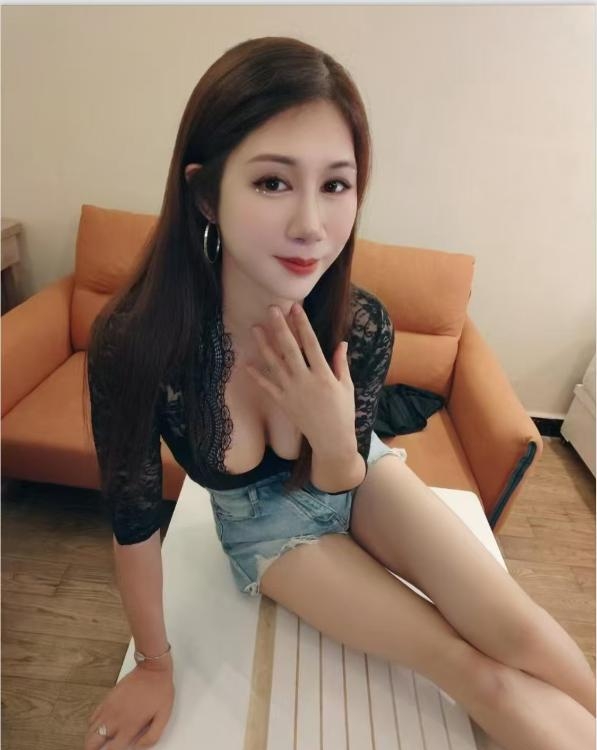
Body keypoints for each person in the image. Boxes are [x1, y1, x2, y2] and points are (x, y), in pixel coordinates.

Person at [83, 36, 595, 750]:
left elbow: (341, 478)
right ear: (205, 194)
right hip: (266, 530)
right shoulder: (137, 343)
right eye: (273, 183)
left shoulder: (360, 323)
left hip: (360, 477)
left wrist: (330, 432)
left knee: (521, 631)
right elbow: (134, 523)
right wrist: (153, 664)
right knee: (476, 673)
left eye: (335, 185)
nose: (311, 227)